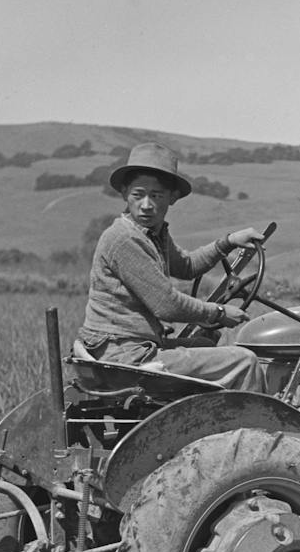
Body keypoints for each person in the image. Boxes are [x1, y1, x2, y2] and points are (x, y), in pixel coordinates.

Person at [77, 142, 267, 392]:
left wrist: (228, 242)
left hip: (127, 349)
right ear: (124, 193)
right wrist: (219, 312)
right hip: (124, 357)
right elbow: (166, 304)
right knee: (245, 360)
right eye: (138, 194)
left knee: (205, 343)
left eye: (156, 196)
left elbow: (187, 266)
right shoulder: (124, 238)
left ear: (172, 198)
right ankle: (261, 429)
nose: (146, 204)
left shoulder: (151, 234)